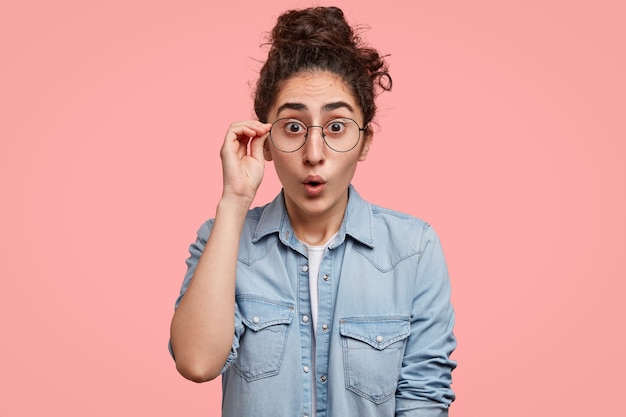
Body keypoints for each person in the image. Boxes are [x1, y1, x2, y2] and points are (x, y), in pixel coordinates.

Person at [169, 6, 456, 417]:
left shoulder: (413, 249)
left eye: (336, 127)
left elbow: (424, 398)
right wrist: (234, 201)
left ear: (366, 140)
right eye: (293, 127)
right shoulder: (222, 240)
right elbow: (196, 363)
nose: (314, 154)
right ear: (264, 140)